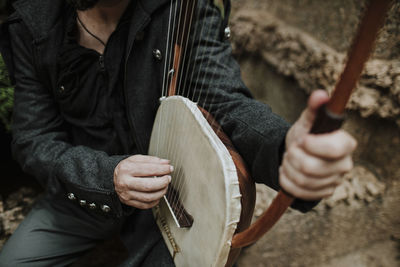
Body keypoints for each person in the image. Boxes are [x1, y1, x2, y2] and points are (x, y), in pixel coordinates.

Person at [0, 0, 356, 266]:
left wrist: (286, 151)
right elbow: (35, 139)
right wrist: (106, 177)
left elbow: (227, 104)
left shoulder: (184, 9)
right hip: (83, 187)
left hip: (174, 192)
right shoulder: (32, 20)